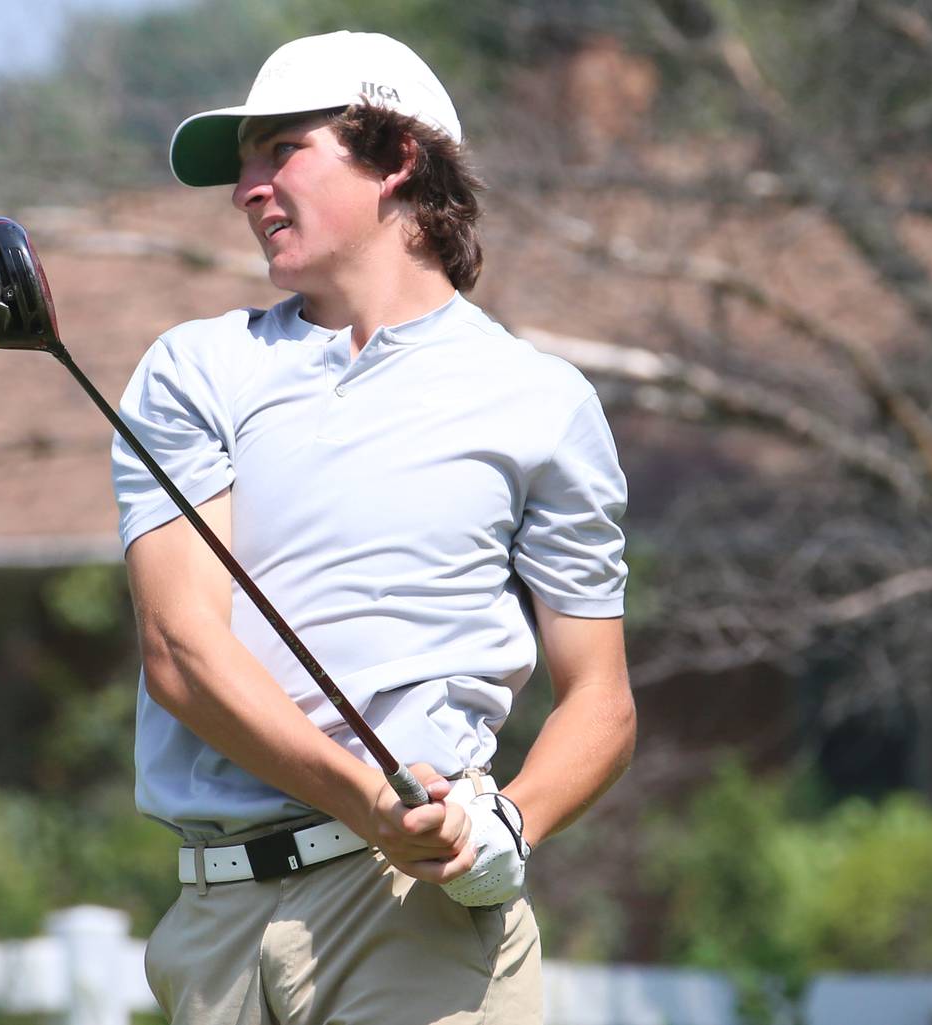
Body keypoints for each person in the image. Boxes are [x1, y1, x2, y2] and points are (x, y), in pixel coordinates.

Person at [110, 29, 635, 1025]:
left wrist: (509, 823)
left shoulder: (542, 401)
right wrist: (366, 796)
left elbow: (602, 702)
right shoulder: (195, 371)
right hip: (215, 927)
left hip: (413, 917)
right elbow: (181, 651)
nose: (246, 188)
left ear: (397, 157)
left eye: (281, 150)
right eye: (243, 164)